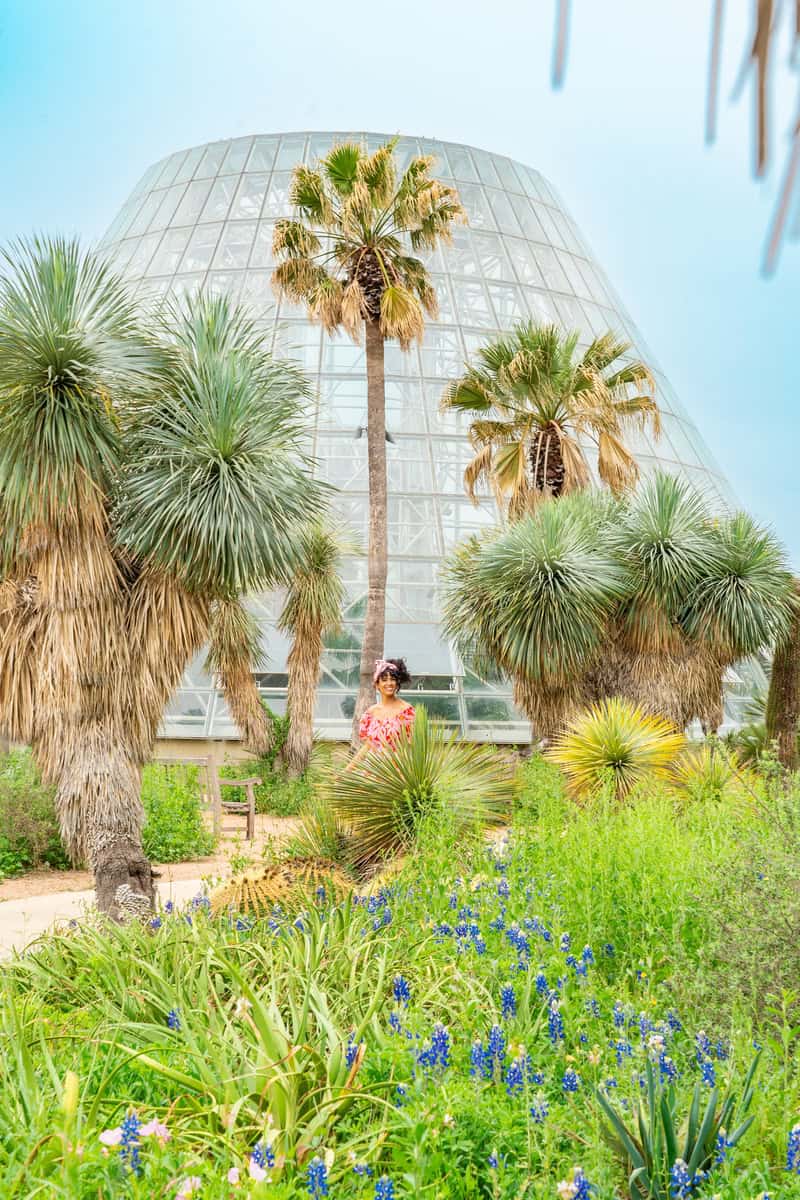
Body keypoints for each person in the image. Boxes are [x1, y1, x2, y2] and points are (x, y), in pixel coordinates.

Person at [355, 658, 415, 754]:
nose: (389, 683)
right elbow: (367, 747)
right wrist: (347, 769)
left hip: (397, 767)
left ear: (397, 683)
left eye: (392, 679)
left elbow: (413, 746)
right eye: (384, 680)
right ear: (377, 684)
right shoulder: (370, 713)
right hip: (372, 767)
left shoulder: (407, 711)